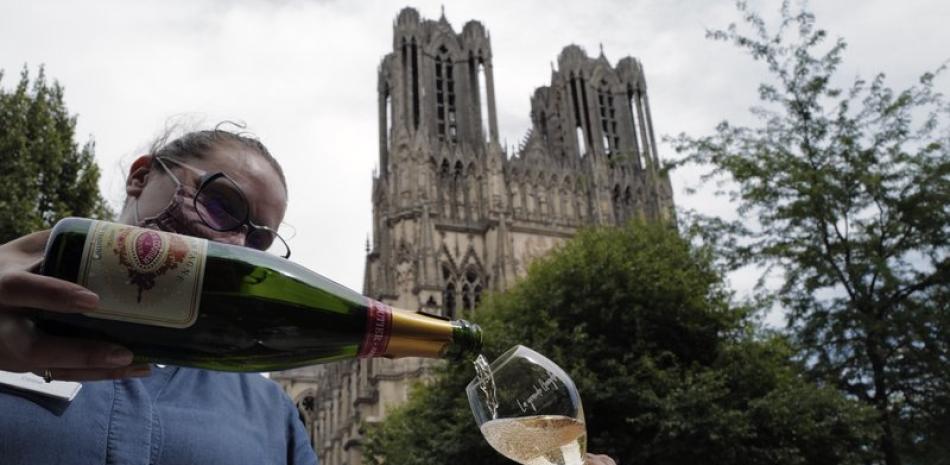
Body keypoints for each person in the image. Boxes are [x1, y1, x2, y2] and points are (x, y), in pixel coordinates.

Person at [0, 127, 317, 465]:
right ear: (141, 177)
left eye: (258, 244)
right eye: (221, 204)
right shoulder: (13, 311)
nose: (236, 246)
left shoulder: (271, 414)